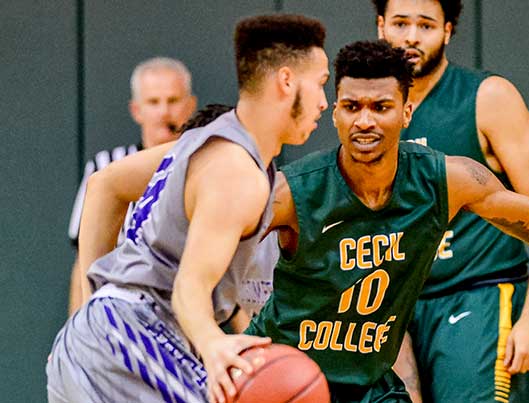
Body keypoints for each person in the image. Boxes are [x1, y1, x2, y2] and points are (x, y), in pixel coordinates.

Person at [73, 40, 529, 403]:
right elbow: (185, 256)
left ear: (406, 113)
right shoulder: (288, 193)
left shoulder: (449, 178)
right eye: (351, 106)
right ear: (334, 111)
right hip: (283, 379)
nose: (365, 121)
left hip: (369, 387)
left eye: (381, 108)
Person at [46, 14, 329, 403]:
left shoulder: (203, 142)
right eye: (320, 84)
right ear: (286, 82)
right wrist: (213, 344)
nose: (323, 102)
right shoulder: (237, 172)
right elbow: (189, 288)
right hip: (133, 335)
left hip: (102, 338)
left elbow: (105, 185)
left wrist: (94, 308)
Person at [372, 1, 529, 401]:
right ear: (380, 26)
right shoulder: (373, 111)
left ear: (448, 30)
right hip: (398, 308)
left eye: (425, 25)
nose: (410, 36)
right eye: (400, 23)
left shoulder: (488, 97)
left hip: (479, 296)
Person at [66, 56, 197, 315]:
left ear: (191, 105)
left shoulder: (206, 167)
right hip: (119, 315)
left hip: (189, 314)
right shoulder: (105, 166)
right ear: (136, 110)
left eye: (172, 100)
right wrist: (77, 327)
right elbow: (84, 261)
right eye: (153, 102)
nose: (163, 112)